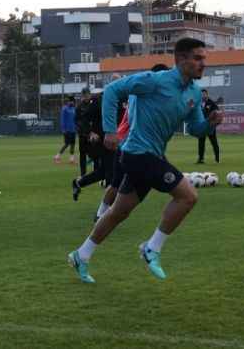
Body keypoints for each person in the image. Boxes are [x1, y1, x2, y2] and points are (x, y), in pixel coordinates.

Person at [66, 38, 223, 283]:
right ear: (181, 59)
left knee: (118, 212)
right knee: (188, 196)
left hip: (151, 155)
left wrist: (210, 124)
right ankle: (152, 248)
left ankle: (81, 255)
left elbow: (195, 128)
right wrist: (109, 130)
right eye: (198, 58)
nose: (203, 64)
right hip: (138, 154)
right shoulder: (155, 81)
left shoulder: (193, 92)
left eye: (204, 59)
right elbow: (112, 91)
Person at [93, 64, 169, 222]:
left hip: (132, 144)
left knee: (118, 183)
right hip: (130, 145)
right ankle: (103, 214)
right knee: (118, 184)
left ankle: (102, 213)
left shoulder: (139, 94)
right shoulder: (141, 95)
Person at [71, 91, 113, 202]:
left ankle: (79, 183)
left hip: (117, 140)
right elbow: (83, 118)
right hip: (103, 140)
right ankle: (107, 207)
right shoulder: (99, 99)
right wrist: (90, 132)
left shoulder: (122, 98)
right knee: (110, 171)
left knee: (104, 171)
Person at [197, 89, 221, 164]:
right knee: (201, 143)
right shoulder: (199, 103)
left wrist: (214, 121)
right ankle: (201, 159)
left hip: (210, 126)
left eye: (204, 94)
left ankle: (217, 159)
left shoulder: (211, 103)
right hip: (202, 126)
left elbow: (217, 112)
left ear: (207, 94)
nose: (203, 95)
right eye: (202, 94)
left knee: (214, 142)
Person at [74, 88, 94, 176]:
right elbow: (76, 120)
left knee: (95, 154)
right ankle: (83, 173)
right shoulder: (79, 106)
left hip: (93, 134)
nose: (86, 96)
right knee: (82, 154)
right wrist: (81, 128)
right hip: (82, 134)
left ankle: (96, 172)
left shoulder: (94, 104)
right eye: (84, 95)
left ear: (90, 95)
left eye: (87, 94)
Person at [54, 98, 76, 164]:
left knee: (73, 144)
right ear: (68, 102)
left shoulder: (74, 109)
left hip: (73, 129)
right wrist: (63, 129)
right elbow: (62, 119)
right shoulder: (64, 109)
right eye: (71, 101)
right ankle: (57, 156)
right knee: (67, 144)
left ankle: (71, 159)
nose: (72, 103)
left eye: (73, 102)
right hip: (67, 130)